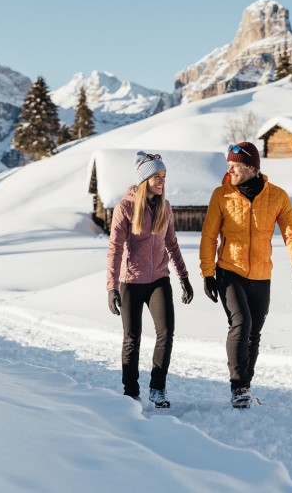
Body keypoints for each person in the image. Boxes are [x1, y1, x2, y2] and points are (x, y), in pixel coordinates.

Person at [199, 142, 292, 408]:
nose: (230, 170)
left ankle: (245, 385)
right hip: (229, 271)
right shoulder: (221, 195)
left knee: (254, 333)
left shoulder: (277, 196)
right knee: (241, 323)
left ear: (250, 167)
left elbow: (291, 232)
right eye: (229, 165)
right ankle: (238, 387)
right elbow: (209, 235)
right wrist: (207, 272)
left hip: (261, 274)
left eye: (234, 166)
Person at [107, 151, 193, 408]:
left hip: (159, 279)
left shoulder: (165, 207)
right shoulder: (126, 208)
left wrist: (184, 277)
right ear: (145, 180)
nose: (161, 181)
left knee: (166, 332)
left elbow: (172, 244)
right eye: (156, 176)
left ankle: (157, 388)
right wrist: (112, 287)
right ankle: (131, 391)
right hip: (131, 281)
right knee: (132, 337)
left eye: (164, 176)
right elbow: (115, 249)